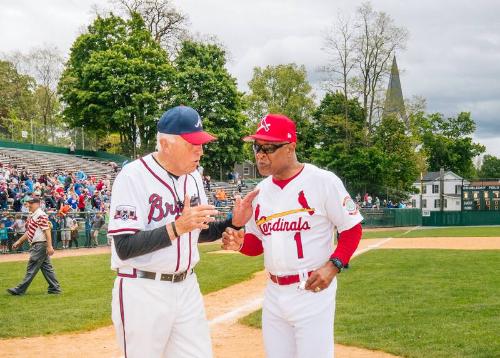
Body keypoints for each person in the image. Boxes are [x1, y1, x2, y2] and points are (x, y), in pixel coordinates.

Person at [107, 105, 258, 358]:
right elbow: (124, 247)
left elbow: (199, 231)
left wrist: (234, 222)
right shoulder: (133, 176)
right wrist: (177, 227)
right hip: (143, 289)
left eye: (201, 143)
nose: (200, 150)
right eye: (192, 144)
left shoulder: (194, 178)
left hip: (187, 287)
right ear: (166, 144)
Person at [222, 114, 363, 358]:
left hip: (312, 291)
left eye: (269, 147)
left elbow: (351, 228)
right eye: (257, 147)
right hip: (274, 293)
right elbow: (257, 244)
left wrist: (334, 265)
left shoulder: (322, 181)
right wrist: (241, 243)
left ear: (290, 148)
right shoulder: (260, 192)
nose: (260, 154)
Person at [7, 197, 61, 295]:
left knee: (32, 267)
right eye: (27, 203)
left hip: (40, 245)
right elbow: (29, 232)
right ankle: (55, 288)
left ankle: (20, 289)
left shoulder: (40, 215)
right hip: (39, 244)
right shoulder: (34, 215)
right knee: (47, 268)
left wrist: (50, 246)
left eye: (30, 203)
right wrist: (19, 241)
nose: (28, 205)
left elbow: (47, 230)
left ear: (37, 204)